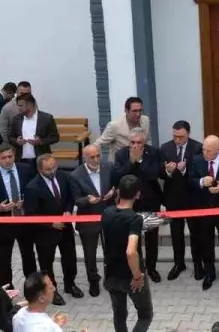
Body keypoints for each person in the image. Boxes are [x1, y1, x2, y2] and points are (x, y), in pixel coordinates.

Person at [100, 174, 154, 332]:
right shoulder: (134, 219)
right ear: (137, 194)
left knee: (119, 314)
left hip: (111, 273)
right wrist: (137, 275)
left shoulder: (107, 213)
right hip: (130, 276)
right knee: (145, 315)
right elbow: (131, 251)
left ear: (118, 191)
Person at [0, 144, 36, 287]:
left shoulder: (26, 169)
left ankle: (32, 287)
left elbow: (35, 190)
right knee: (4, 259)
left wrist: (27, 201)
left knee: (28, 255)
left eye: (10, 156)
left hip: (24, 222)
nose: (8, 160)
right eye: (4, 158)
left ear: (15, 156)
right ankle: (7, 290)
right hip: (3, 224)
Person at [25, 153, 79, 303]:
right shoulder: (32, 188)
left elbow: (69, 196)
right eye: (48, 169)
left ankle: (70, 284)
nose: (53, 171)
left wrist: (68, 210)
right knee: (46, 264)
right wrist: (51, 224)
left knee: (70, 258)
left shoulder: (63, 176)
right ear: (39, 170)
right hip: (45, 233)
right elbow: (31, 215)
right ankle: (51, 290)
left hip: (65, 228)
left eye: (54, 167)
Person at [189, 134, 219, 290]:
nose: (205, 153)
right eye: (204, 149)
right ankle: (209, 272)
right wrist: (202, 182)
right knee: (206, 242)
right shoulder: (197, 160)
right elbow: (190, 180)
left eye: (209, 150)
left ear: (218, 151)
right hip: (203, 209)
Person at [113, 131, 162, 281]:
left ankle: (152, 268)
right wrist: (131, 161)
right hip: (130, 203)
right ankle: (138, 268)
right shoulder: (121, 154)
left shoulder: (154, 152)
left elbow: (154, 174)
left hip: (151, 200)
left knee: (152, 237)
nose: (134, 145)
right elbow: (117, 177)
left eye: (138, 143)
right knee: (134, 237)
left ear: (145, 142)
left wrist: (139, 161)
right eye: (132, 142)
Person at [158, 121, 202, 281]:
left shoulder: (197, 148)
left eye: (181, 137)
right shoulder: (165, 148)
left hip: (192, 198)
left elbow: (200, 173)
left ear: (188, 134)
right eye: (175, 136)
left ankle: (198, 263)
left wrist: (185, 170)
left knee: (195, 233)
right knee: (176, 234)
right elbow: (160, 173)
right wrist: (168, 172)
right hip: (173, 199)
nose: (177, 140)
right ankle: (179, 263)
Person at [70, 143, 114, 295]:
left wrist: (114, 191)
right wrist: (87, 200)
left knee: (111, 249)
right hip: (88, 218)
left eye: (98, 156)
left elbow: (115, 185)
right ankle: (93, 280)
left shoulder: (108, 167)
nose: (96, 159)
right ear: (85, 158)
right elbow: (76, 200)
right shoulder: (75, 175)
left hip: (108, 215)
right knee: (90, 253)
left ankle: (111, 277)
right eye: (92, 157)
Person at [9, 94, 60, 164]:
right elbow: (10, 138)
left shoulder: (46, 118)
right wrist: (17, 141)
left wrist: (41, 141)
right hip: (21, 160)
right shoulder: (16, 119)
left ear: (30, 104)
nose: (18, 108)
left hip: (41, 160)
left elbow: (55, 137)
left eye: (21, 105)